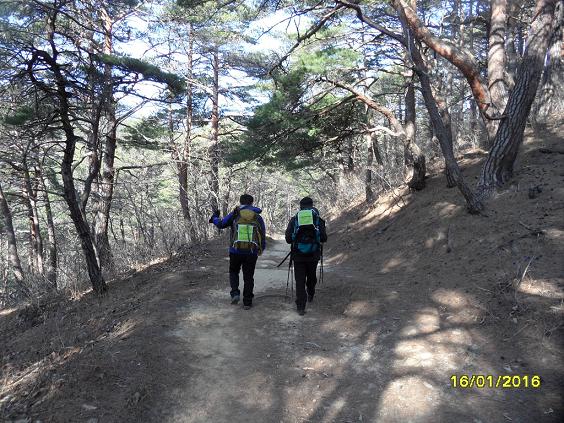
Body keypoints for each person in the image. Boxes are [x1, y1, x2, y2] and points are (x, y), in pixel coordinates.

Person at [209, 194, 266, 310]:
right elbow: (262, 235)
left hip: (235, 251)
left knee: (234, 271)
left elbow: (221, 224)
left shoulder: (235, 214)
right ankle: (247, 302)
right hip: (251, 252)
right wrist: (260, 249)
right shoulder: (257, 216)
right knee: (249, 276)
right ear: (252, 203)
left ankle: (235, 293)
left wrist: (214, 217)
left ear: (240, 202)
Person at [285, 197, 327, 316]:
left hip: (298, 254)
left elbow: (288, 239)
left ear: (300, 206)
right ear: (312, 205)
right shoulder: (318, 219)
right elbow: (324, 238)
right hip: (313, 254)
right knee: (311, 276)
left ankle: (301, 307)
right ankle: (311, 293)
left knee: (300, 280)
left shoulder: (294, 219)